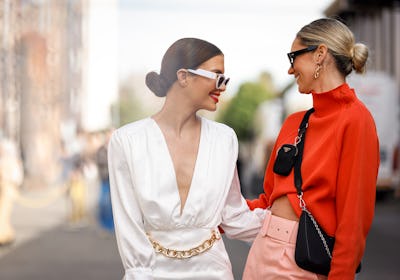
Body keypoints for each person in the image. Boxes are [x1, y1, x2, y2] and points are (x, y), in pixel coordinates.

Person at [108, 37, 265, 280]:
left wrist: (291, 222)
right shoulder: (127, 141)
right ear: (183, 76)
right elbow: (128, 226)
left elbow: (235, 216)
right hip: (150, 274)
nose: (223, 87)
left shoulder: (225, 140)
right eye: (217, 76)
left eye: (225, 79)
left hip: (214, 272)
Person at [243, 18, 380, 280]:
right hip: (262, 250)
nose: (289, 69)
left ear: (320, 54)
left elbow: (353, 220)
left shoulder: (356, 120)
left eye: (293, 57)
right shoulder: (294, 122)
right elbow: (267, 200)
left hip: (303, 261)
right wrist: (212, 213)